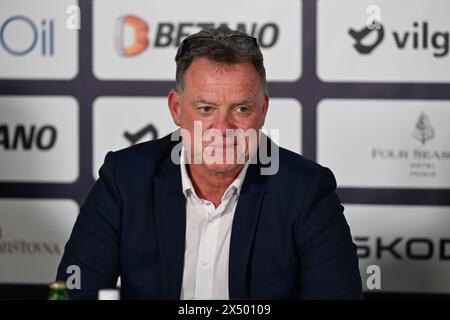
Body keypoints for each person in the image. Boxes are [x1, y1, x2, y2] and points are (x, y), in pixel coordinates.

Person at [56, 26, 362, 299]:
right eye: (205, 109)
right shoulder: (125, 179)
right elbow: (75, 292)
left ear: (263, 109)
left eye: (241, 109)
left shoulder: (306, 191)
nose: (223, 129)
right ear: (176, 108)